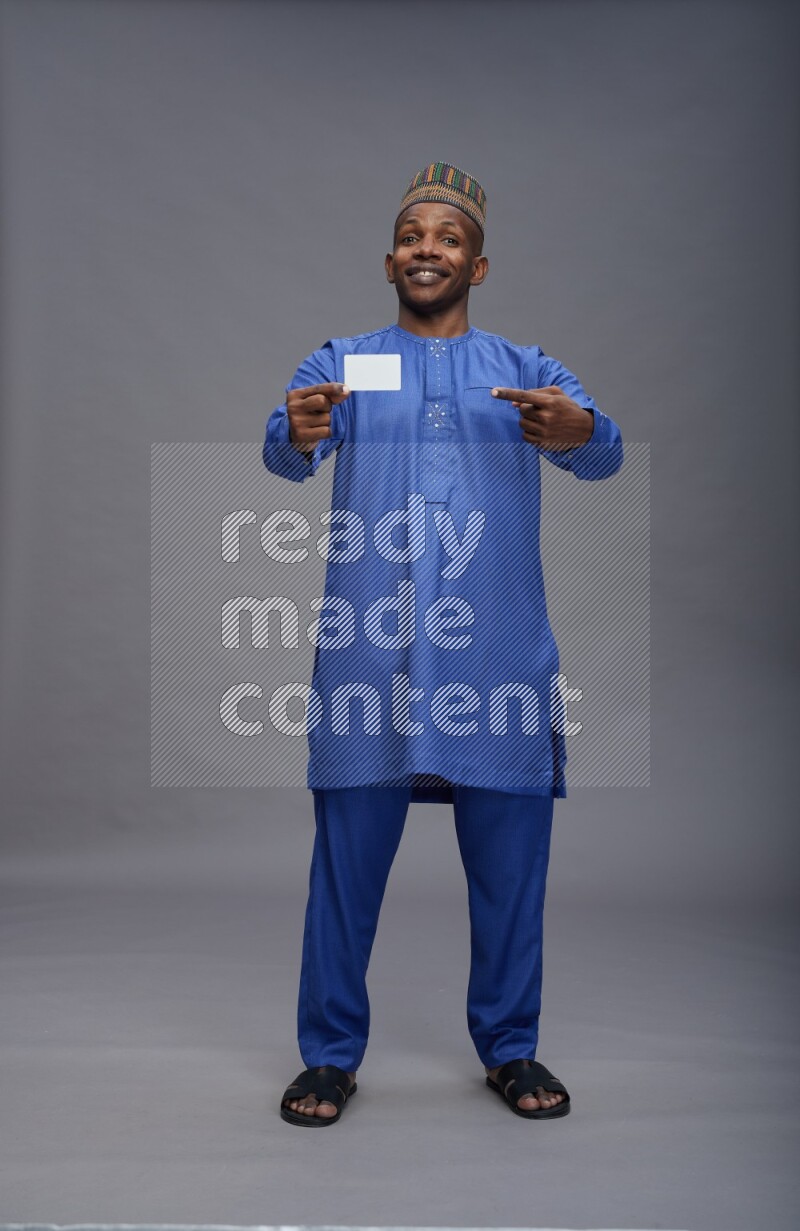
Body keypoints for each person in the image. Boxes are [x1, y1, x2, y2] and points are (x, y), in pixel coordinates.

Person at [262, 161, 623, 1126]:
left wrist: (580, 427)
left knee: (511, 866)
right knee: (344, 864)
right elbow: (286, 443)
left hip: (495, 657)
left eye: (449, 237)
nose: (430, 247)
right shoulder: (350, 359)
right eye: (414, 234)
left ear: (479, 264)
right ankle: (329, 1055)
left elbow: (603, 448)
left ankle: (510, 1045)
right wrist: (296, 432)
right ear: (390, 259)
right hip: (369, 657)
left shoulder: (522, 366)